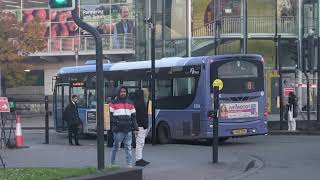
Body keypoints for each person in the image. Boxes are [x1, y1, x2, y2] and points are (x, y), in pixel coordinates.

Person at [110, 86, 138, 167]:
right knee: (116, 146)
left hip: (128, 129)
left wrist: (136, 127)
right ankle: (112, 163)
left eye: (124, 91)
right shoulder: (113, 103)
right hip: (118, 129)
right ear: (118, 92)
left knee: (128, 147)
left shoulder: (130, 103)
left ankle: (129, 164)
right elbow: (110, 116)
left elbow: (133, 116)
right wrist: (118, 121)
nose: (123, 93)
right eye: (121, 91)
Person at [133, 90, 150, 166]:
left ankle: (139, 158)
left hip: (137, 126)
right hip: (141, 126)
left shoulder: (135, 103)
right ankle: (138, 159)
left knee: (139, 143)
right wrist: (145, 125)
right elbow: (143, 117)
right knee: (140, 143)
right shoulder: (141, 104)